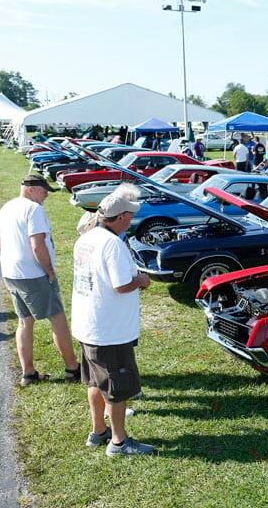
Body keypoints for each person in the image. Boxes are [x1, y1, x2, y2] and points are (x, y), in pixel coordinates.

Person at [72, 195, 154, 456]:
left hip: (88, 325)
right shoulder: (113, 245)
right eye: (130, 215)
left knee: (95, 382)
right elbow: (121, 285)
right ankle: (119, 442)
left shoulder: (86, 238)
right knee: (117, 388)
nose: (132, 220)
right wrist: (141, 280)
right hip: (109, 330)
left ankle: (98, 431)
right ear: (121, 217)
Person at [0, 174, 80, 386]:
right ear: (31, 189)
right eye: (44, 192)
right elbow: (37, 246)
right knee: (58, 319)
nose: (45, 197)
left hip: (11, 273)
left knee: (25, 322)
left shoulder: (6, 208)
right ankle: (73, 368)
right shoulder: (33, 210)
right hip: (33, 275)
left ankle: (28, 373)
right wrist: (49, 272)